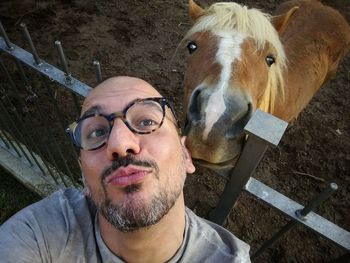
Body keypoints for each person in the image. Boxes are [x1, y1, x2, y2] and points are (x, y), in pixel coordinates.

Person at [0, 76, 251, 262]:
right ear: (84, 177)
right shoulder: (39, 234)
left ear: (185, 155)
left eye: (146, 121)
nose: (119, 144)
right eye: (97, 132)